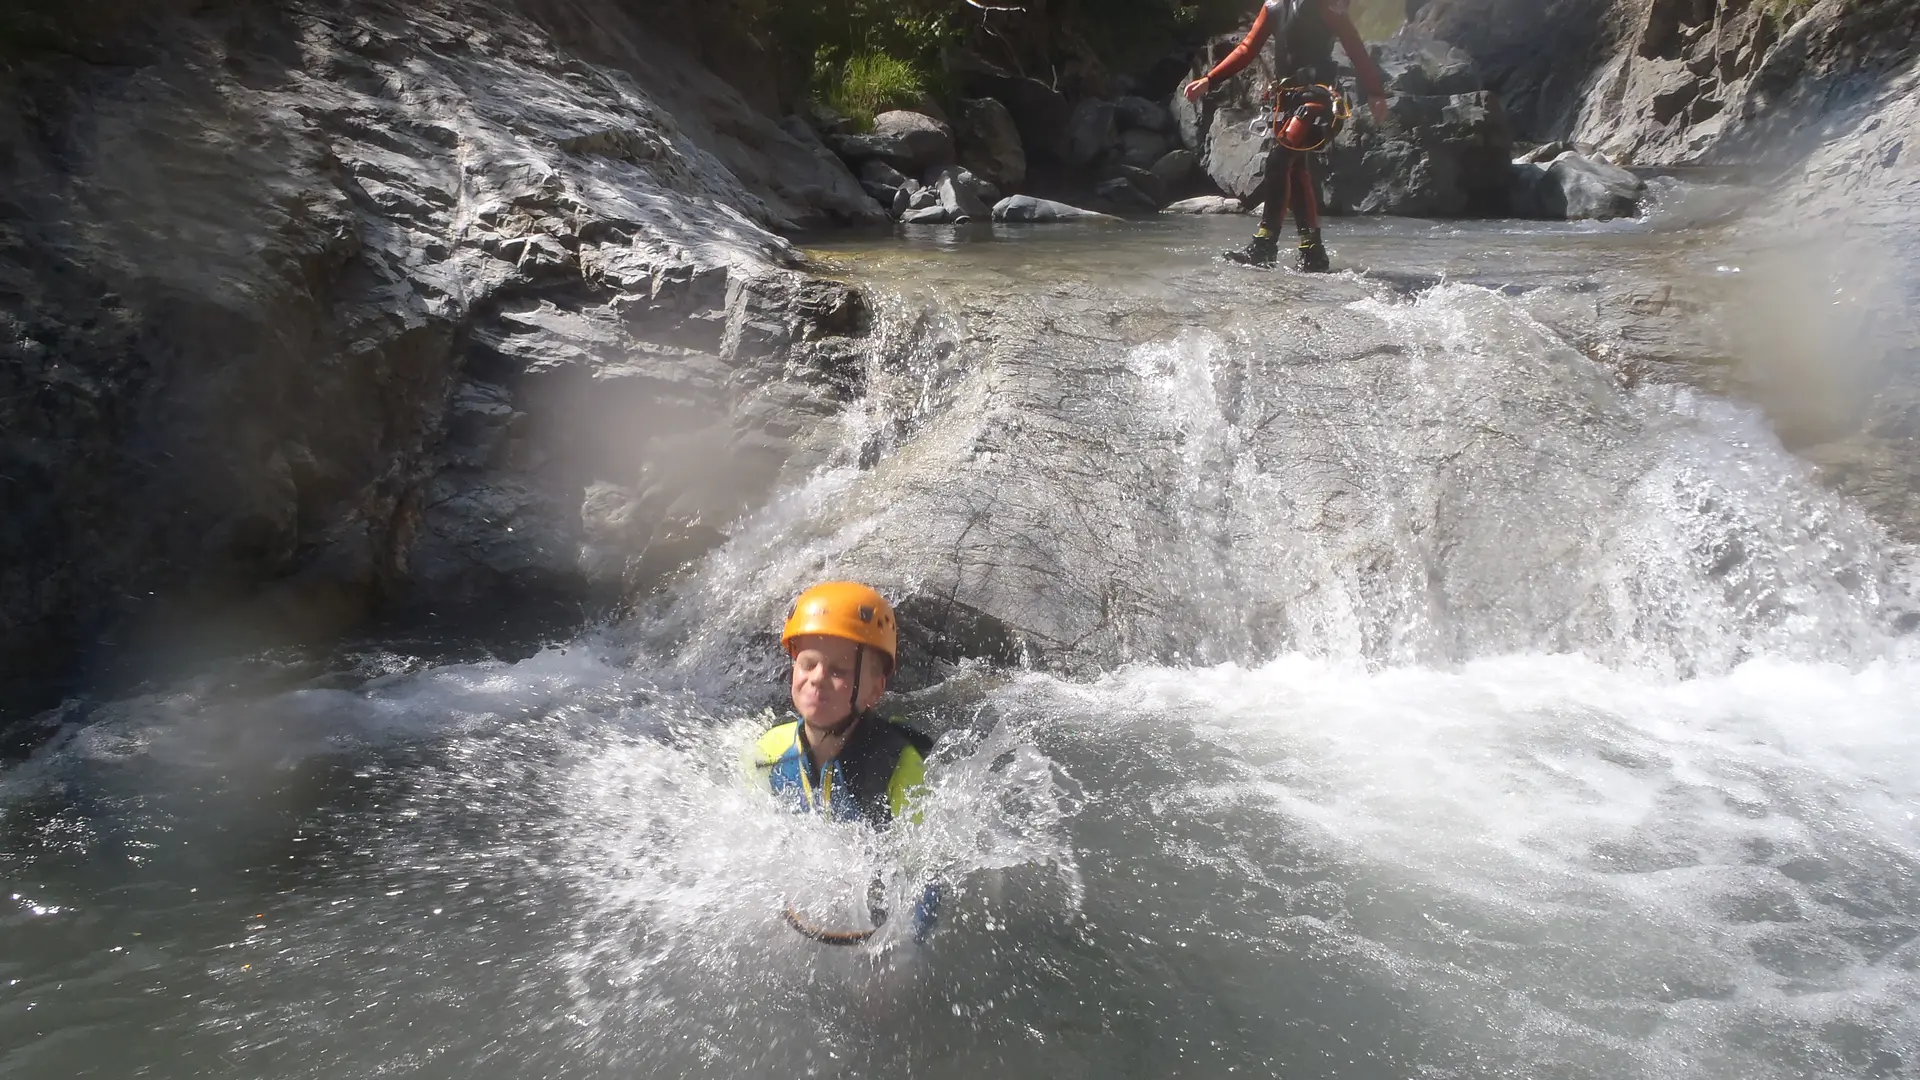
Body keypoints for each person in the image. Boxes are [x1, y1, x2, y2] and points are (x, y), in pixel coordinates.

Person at [745, 581, 941, 942]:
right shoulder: (769, 752)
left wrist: (909, 949)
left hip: (874, 927)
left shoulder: (899, 764)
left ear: (875, 690)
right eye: (807, 664)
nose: (817, 678)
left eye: (838, 671)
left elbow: (927, 872)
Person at [1184, 0, 1390, 271]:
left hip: (1319, 96)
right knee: (1294, 170)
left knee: (1279, 159)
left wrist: (1375, 93)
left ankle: (1264, 245)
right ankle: (1312, 251)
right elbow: (1247, 48)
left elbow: (1355, 49)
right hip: (1288, 99)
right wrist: (1210, 79)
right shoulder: (1273, 7)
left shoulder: (1327, 6)